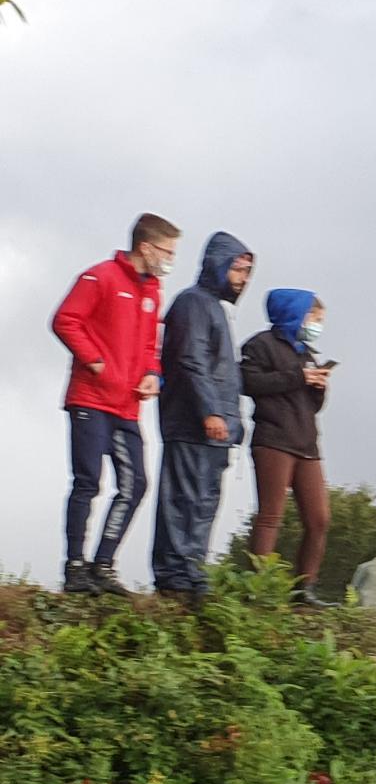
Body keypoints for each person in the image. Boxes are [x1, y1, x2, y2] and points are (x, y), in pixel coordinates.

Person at [50, 213, 180, 594]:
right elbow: (65, 320)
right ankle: (75, 567)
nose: (170, 259)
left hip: (127, 406)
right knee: (88, 482)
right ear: (146, 247)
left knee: (135, 484)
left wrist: (153, 374)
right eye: (167, 251)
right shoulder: (100, 276)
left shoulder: (153, 290)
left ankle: (103, 564)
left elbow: (147, 346)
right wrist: (95, 362)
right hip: (90, 399)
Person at [151, 232, 253, 602]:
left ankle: (192, 569)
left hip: (217, 430)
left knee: (204, 501)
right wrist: (210, 410)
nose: (242, 279)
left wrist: (232, 422)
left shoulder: (214, 308)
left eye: (246, 271)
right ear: (219, 265)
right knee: (182, 499)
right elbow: (191, 360)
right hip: (192, 422)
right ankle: (174, 573)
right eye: (238, 269)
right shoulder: (193, 303)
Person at [240, 288, 334, 607]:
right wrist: (299, 377)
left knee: (319, 519)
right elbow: (251, 384)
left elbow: (310, 404)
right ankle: (257, 586)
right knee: (271, 515)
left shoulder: (305, 351)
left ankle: (305, 588)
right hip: (273, 440)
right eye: (315, 318)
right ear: (296, 314)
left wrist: (319, 386)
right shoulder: (259, 346)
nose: (317, 325)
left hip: (307, 442)